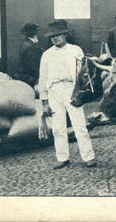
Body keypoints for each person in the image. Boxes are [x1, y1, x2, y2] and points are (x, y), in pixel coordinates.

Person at [39, 21, 96, 169]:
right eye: (52, 36)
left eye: (58, 35)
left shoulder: (75, 50)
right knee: (58, 127)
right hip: (54, 91)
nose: (55, 38)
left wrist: (80, 91)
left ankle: (88, 157)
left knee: (79, 124)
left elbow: (83, 73)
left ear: (64, 34)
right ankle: (62, 157)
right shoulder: (46, 55)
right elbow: (43, 78)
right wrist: (44, 101)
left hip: (71, 89)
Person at [15, 23, 43, 88]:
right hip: (30, 79)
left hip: (22, 76)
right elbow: (33, 66)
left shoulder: (24, 44)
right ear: (35, 34)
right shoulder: (33, 47)